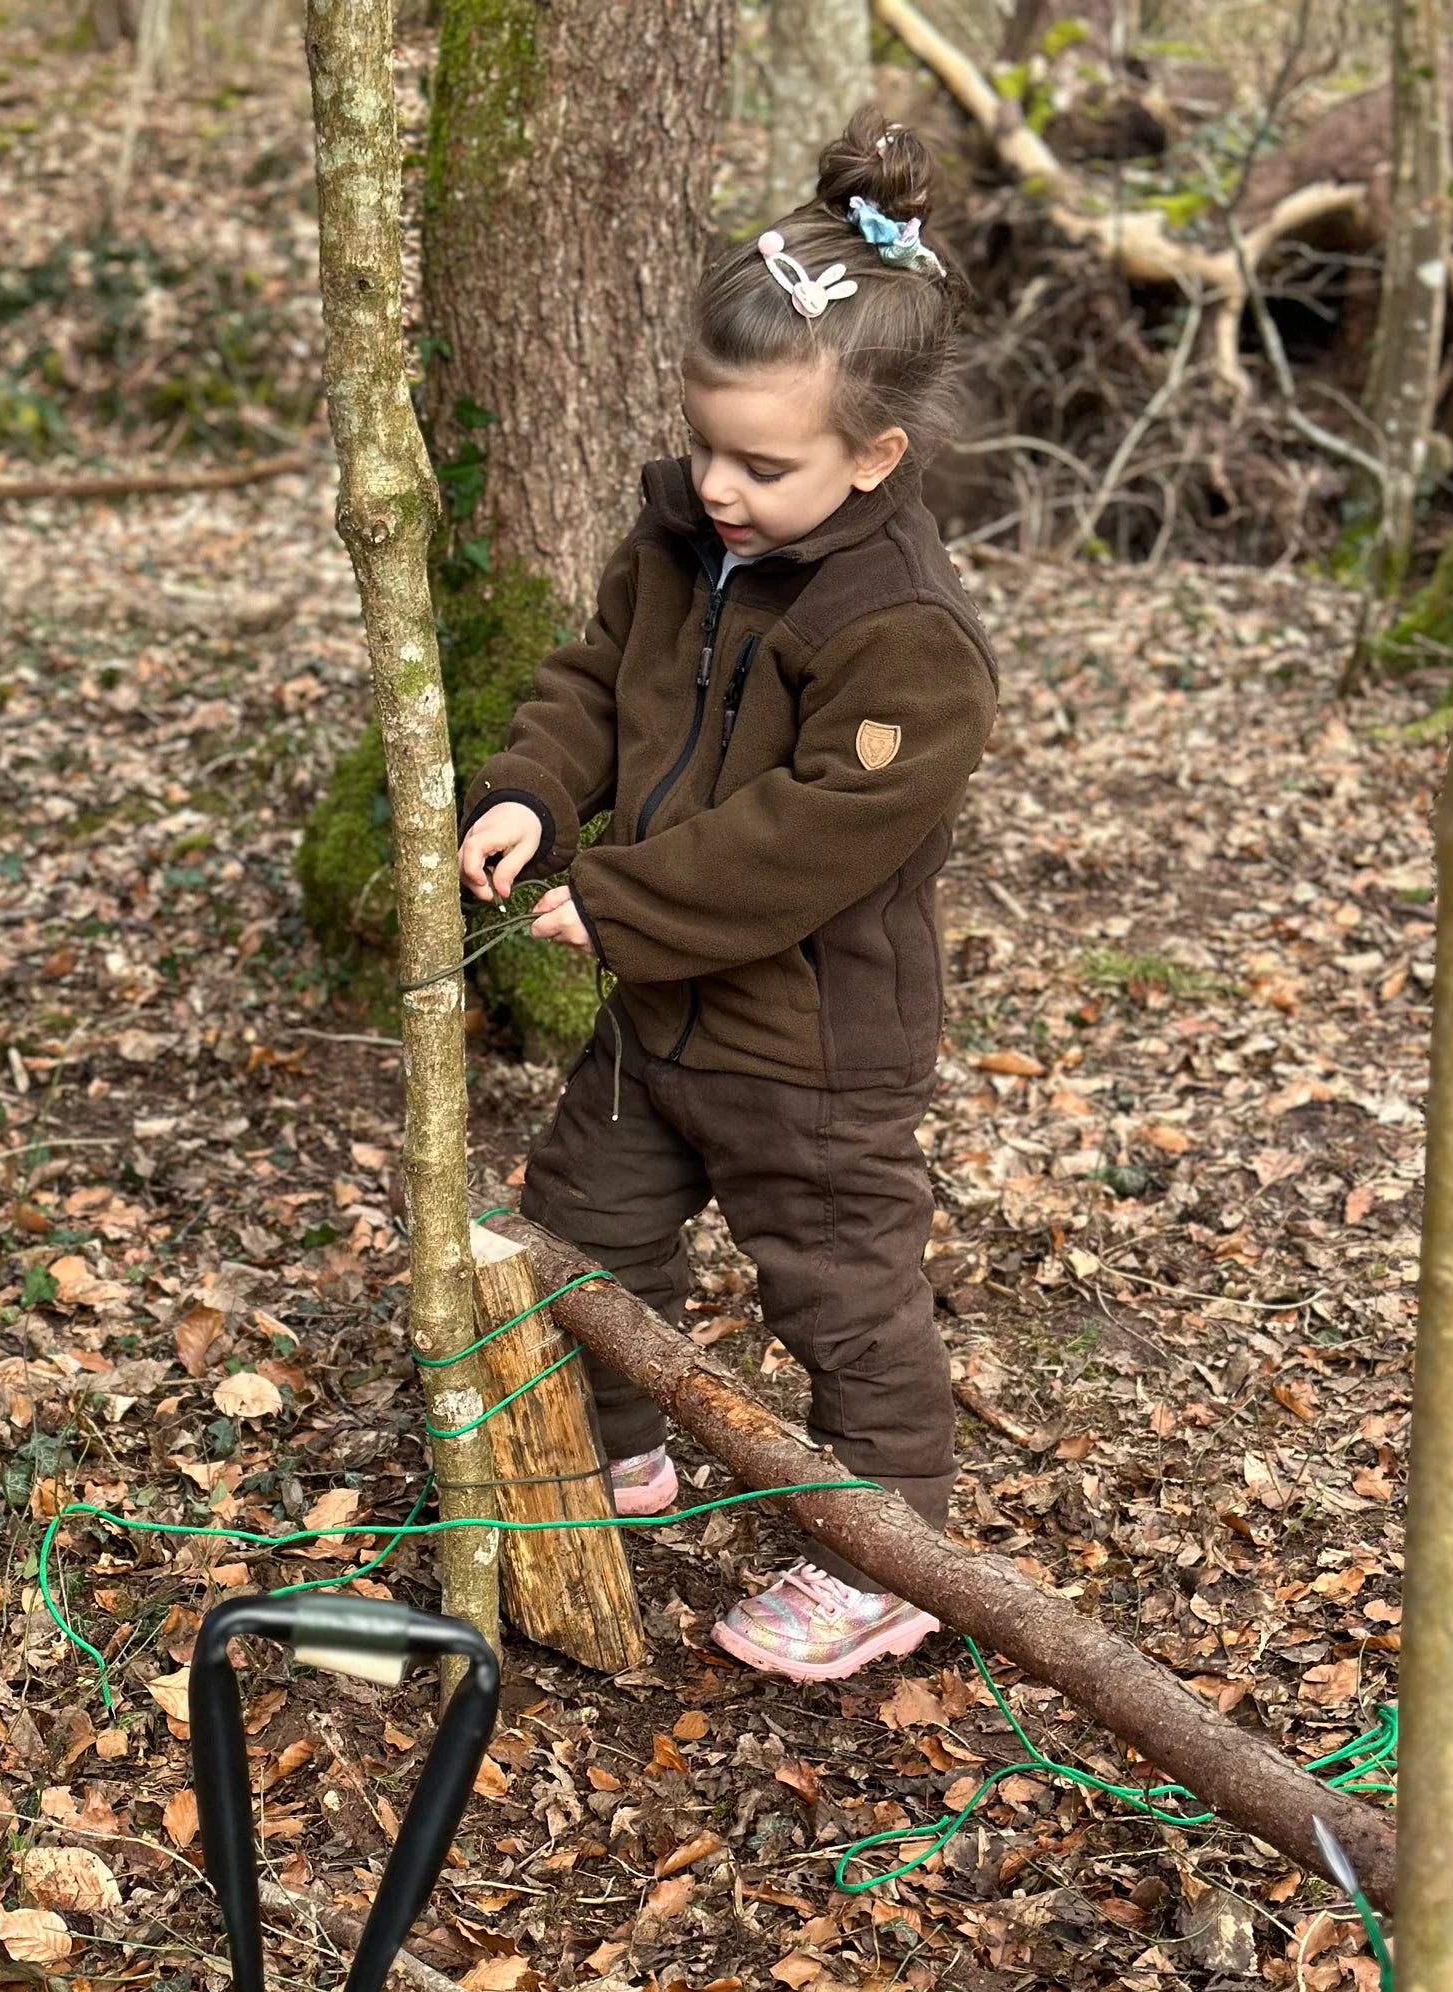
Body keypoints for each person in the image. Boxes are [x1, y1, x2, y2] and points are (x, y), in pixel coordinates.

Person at [457, 113, 998, 1685]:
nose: (720, 485)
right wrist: (529, 793)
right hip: (661, 1019)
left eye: (764, 464)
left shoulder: (905, 636)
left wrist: (622, 904)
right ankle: (617, 1450)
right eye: (706, 446)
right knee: (576, 1231)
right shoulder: (688, 537)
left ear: (874, 455)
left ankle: (885, 1552)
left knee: (843, 1291)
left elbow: (819, 831)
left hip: (810, 1049)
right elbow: (593, 682)